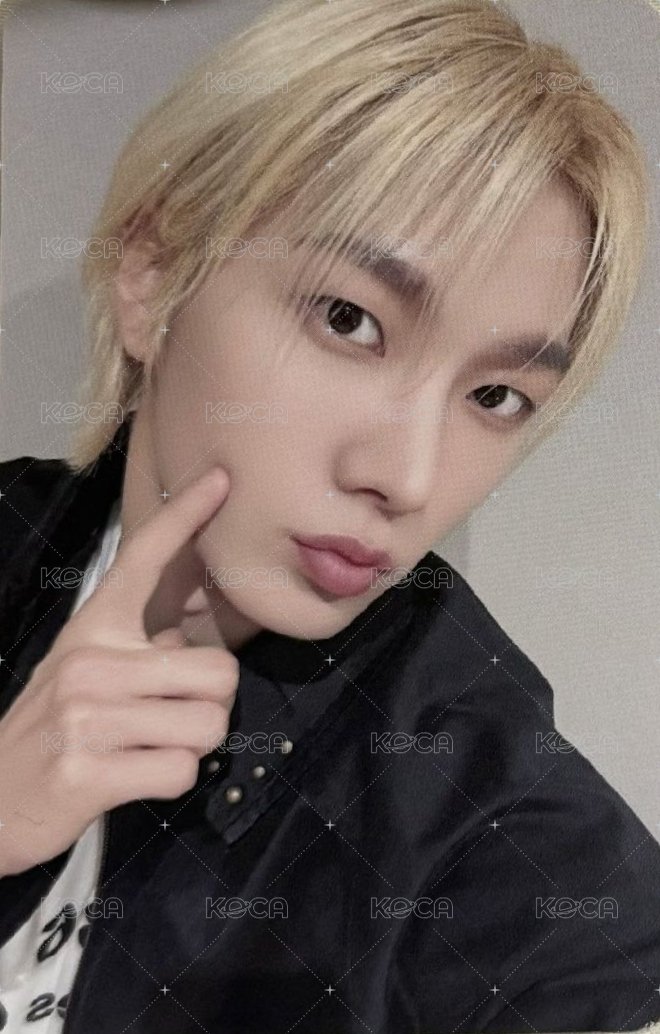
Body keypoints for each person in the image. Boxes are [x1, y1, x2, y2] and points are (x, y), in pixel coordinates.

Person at [0, 0, 658, 1031]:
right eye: (350, 319)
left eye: (496, 395)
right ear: (153, 274)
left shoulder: (468, 782)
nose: (408, 476)